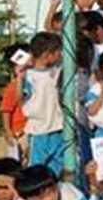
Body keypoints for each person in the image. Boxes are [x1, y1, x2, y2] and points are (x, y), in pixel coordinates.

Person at [12, 32, 64, 176]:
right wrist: (19, 77)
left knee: (58, 167)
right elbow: (19, 98)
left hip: (59, 127)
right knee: (36, 171)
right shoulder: (28, 75)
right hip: (39, 130)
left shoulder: (57, 69)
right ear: (48, 55)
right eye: (58, 52)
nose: (61, 54)